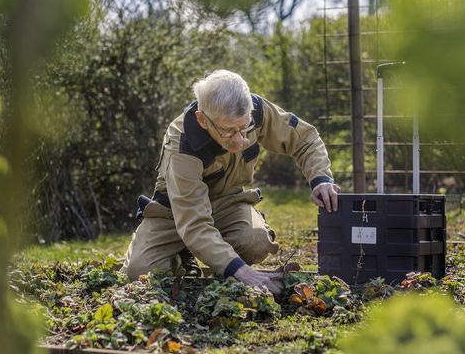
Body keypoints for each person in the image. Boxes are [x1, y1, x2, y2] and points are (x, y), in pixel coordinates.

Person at [121, 69, 339, 295]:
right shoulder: (181, 146)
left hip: (228, 204)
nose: (239, 139)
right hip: (176, 213)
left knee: (255, 241)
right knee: (141, 272)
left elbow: (305, 139)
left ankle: (222, 259)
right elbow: (194, 223)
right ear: (203, 119)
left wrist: (320, 179)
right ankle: (183, 256)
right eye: (228, 131)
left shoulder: (257, 110)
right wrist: (242, 272)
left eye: (243, 128)